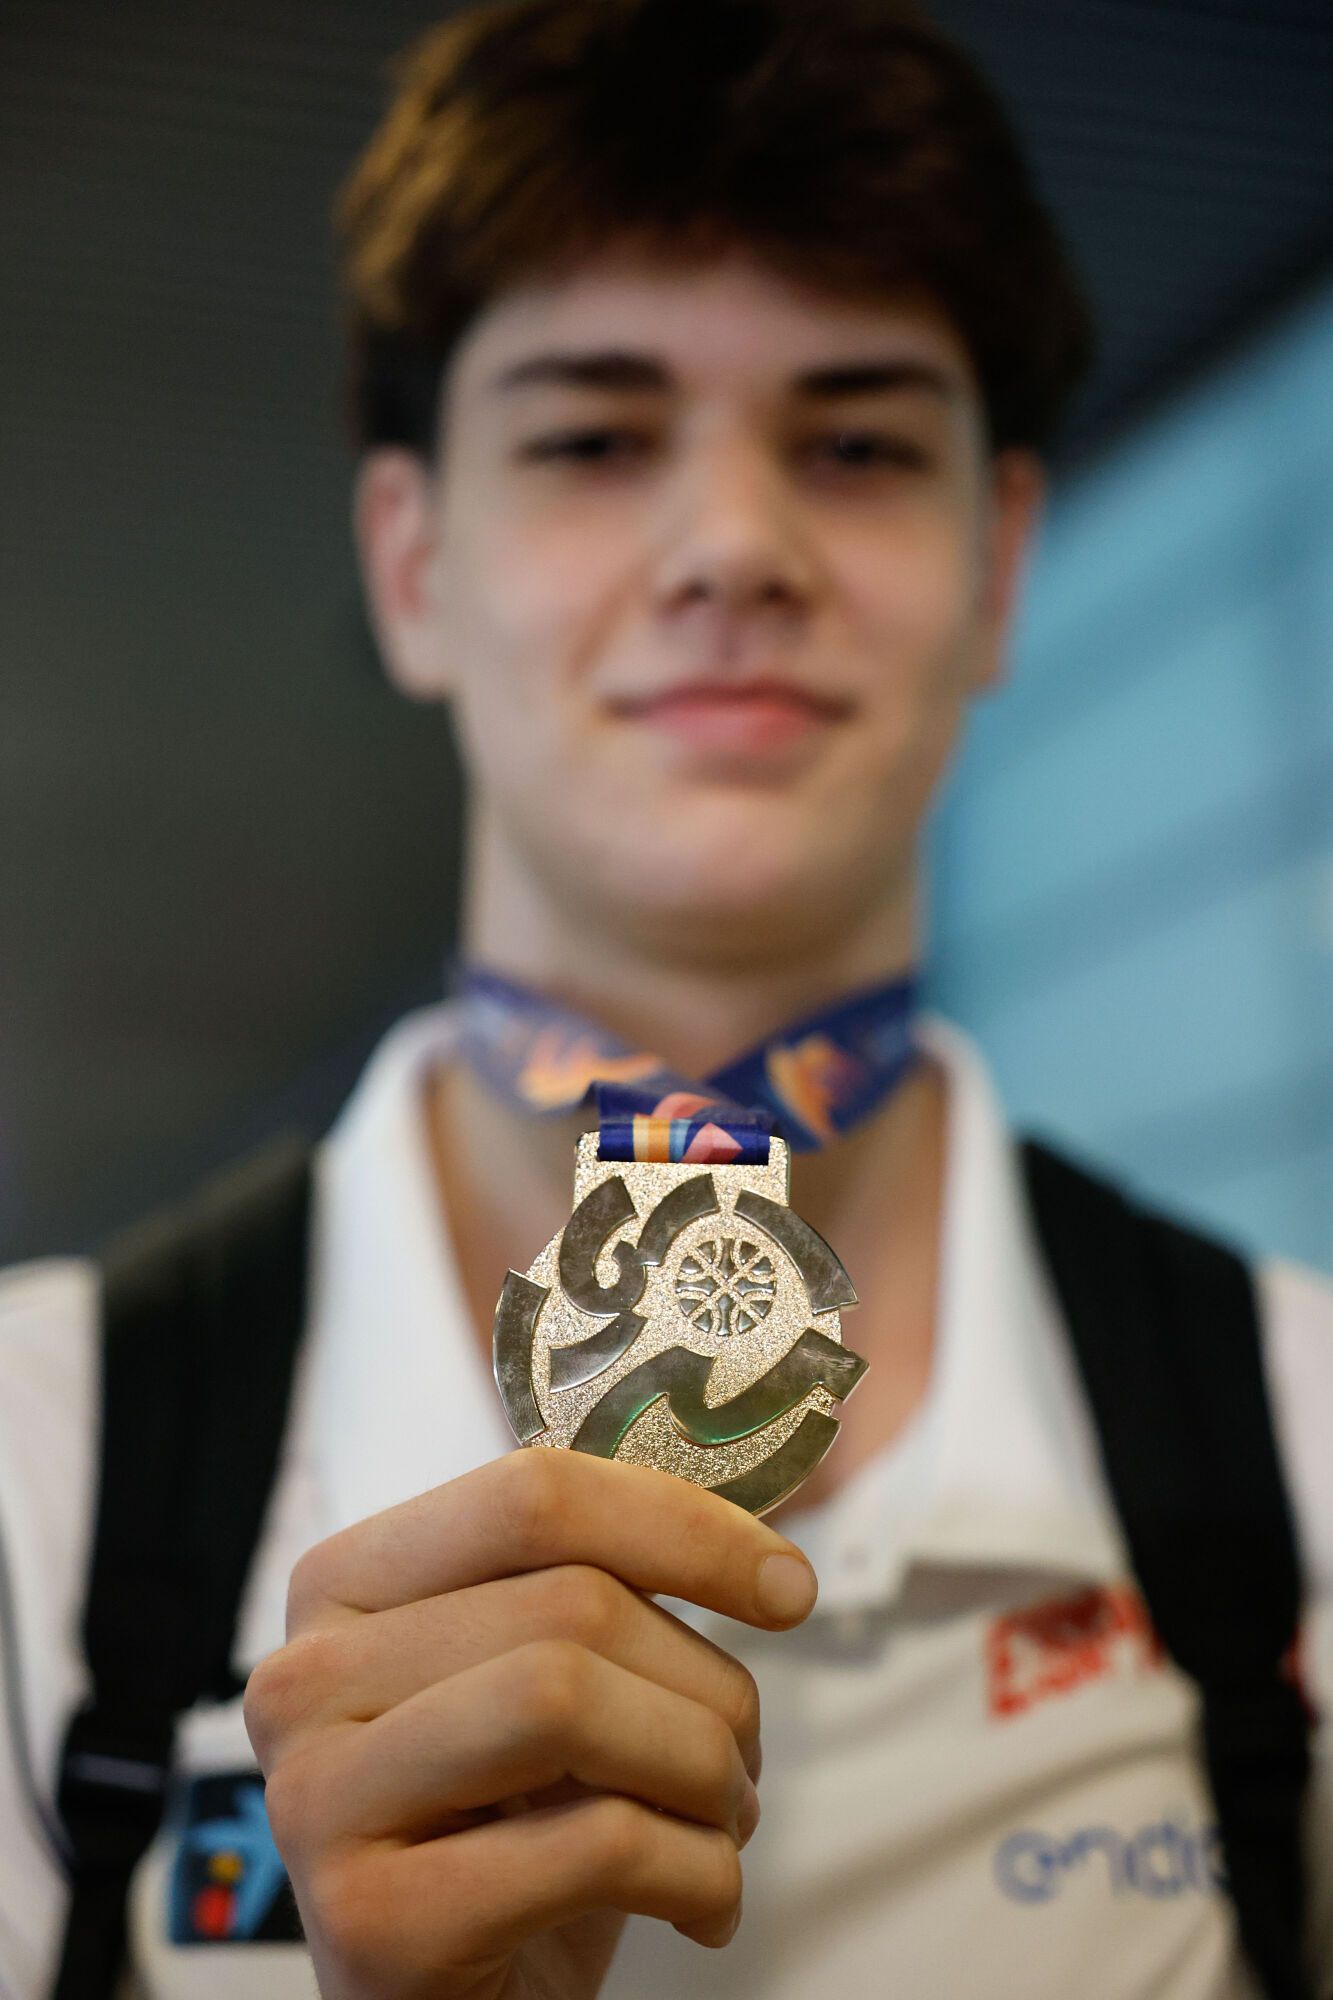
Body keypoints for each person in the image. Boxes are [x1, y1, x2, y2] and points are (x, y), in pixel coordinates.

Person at [1, 2, 1331, 1997]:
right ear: (411, 560)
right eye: (596, 439)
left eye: (859, 443)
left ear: (998, 568)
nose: (732, 545)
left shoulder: (1310, 1448)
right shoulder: (35, 1481)